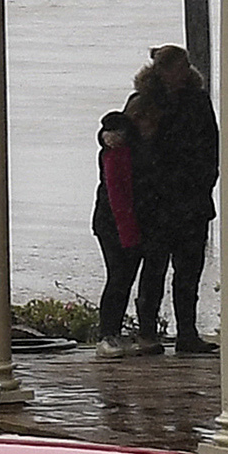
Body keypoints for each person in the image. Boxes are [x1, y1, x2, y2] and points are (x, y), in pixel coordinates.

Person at [127, 45, 218, 353]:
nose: (182, 74)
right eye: (177, 68)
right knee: (154, 268)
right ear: (161, 71)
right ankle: (148, 332)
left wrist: (206, 182)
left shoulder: (198, 101)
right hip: (156, 201)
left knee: (189, 270)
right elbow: (123, 143)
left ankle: (187, 332)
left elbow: (212, 145)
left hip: (191, 200)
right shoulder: (143, 102)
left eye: (185, 67)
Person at [89, 105, 144, 344]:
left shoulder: (126, 155)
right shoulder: (113, 157)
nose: (112, 137)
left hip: (122, 223)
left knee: (122, 279)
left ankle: (112, 332)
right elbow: (117, 196)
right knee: (118, 278)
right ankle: (108, 332)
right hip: (113, 225)